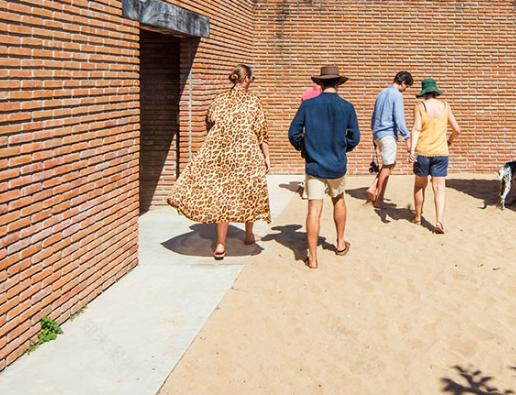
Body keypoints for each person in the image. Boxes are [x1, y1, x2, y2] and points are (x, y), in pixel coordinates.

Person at [167, 63, 271, 259]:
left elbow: (209, 123)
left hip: (220, 154)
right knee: (248, 191)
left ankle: (221, 244)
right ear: (246, 79)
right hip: (246, 155)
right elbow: (261, 132)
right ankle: (249, 235)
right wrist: (266, 156)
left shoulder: (218, 100)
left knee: (223, 194)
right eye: (252, 79)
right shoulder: (253, 101)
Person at [288, 64, 360, 268]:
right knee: (338, 200)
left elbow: (293, 133)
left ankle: (312, 257)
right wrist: (342, 147)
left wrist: (305, 148)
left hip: (314, 164)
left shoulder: (308, 105)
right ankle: (339, 243)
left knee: (314, 207)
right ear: (338, 83)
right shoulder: (347, 106)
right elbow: (355, 137)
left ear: (320, 82)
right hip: (336, 163)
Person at [408, 77, 460, 234]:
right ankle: (439, 221)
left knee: (419, 185)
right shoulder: (445, 106)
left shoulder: (419, 106)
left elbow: (416, 129)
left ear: (423, 93)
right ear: (435, 92)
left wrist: (412, 151)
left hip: (423, 151)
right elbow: (457, 129)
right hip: (441, 152)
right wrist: (450, 140)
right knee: (439, 188)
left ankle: (418, 217)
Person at [367, 70, 413, 208]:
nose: (406, 90)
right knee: (388, 166)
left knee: (390, 163)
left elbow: (374, 115)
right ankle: (379, 200)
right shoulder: (396, 95)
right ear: (403, 83)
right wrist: (407, 137)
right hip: (387, 134)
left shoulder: (381, 93)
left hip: (378, 133)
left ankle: (374, 186)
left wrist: (373, 133)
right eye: (407, 87)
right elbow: (399, 118)